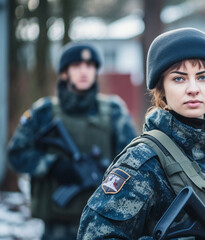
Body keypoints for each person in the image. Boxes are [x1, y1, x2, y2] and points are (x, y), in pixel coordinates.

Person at [77, 27, 205, 239]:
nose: (193, 88)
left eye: (203, 77)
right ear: (161, 88)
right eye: (179, 78)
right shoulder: (143, 161)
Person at [7, 42, 137, 240]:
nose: (84, 71)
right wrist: (52, 165)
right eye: (76, 66)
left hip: (103, 223)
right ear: (64, 73)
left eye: (90, 65)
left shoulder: (114, 111)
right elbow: (16, 153)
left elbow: (133, 161)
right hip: (57, 226)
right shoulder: (44, 112)